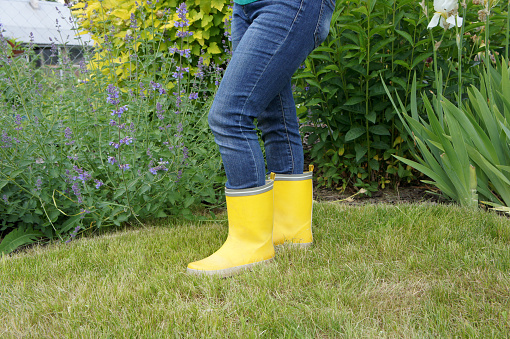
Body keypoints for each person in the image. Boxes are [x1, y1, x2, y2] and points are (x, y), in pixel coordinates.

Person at [187, 0, 335, 276]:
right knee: (273, 112)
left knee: (229, 115)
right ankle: (290, 229)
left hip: (292, 4)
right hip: (245, 6)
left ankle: (250, 243)